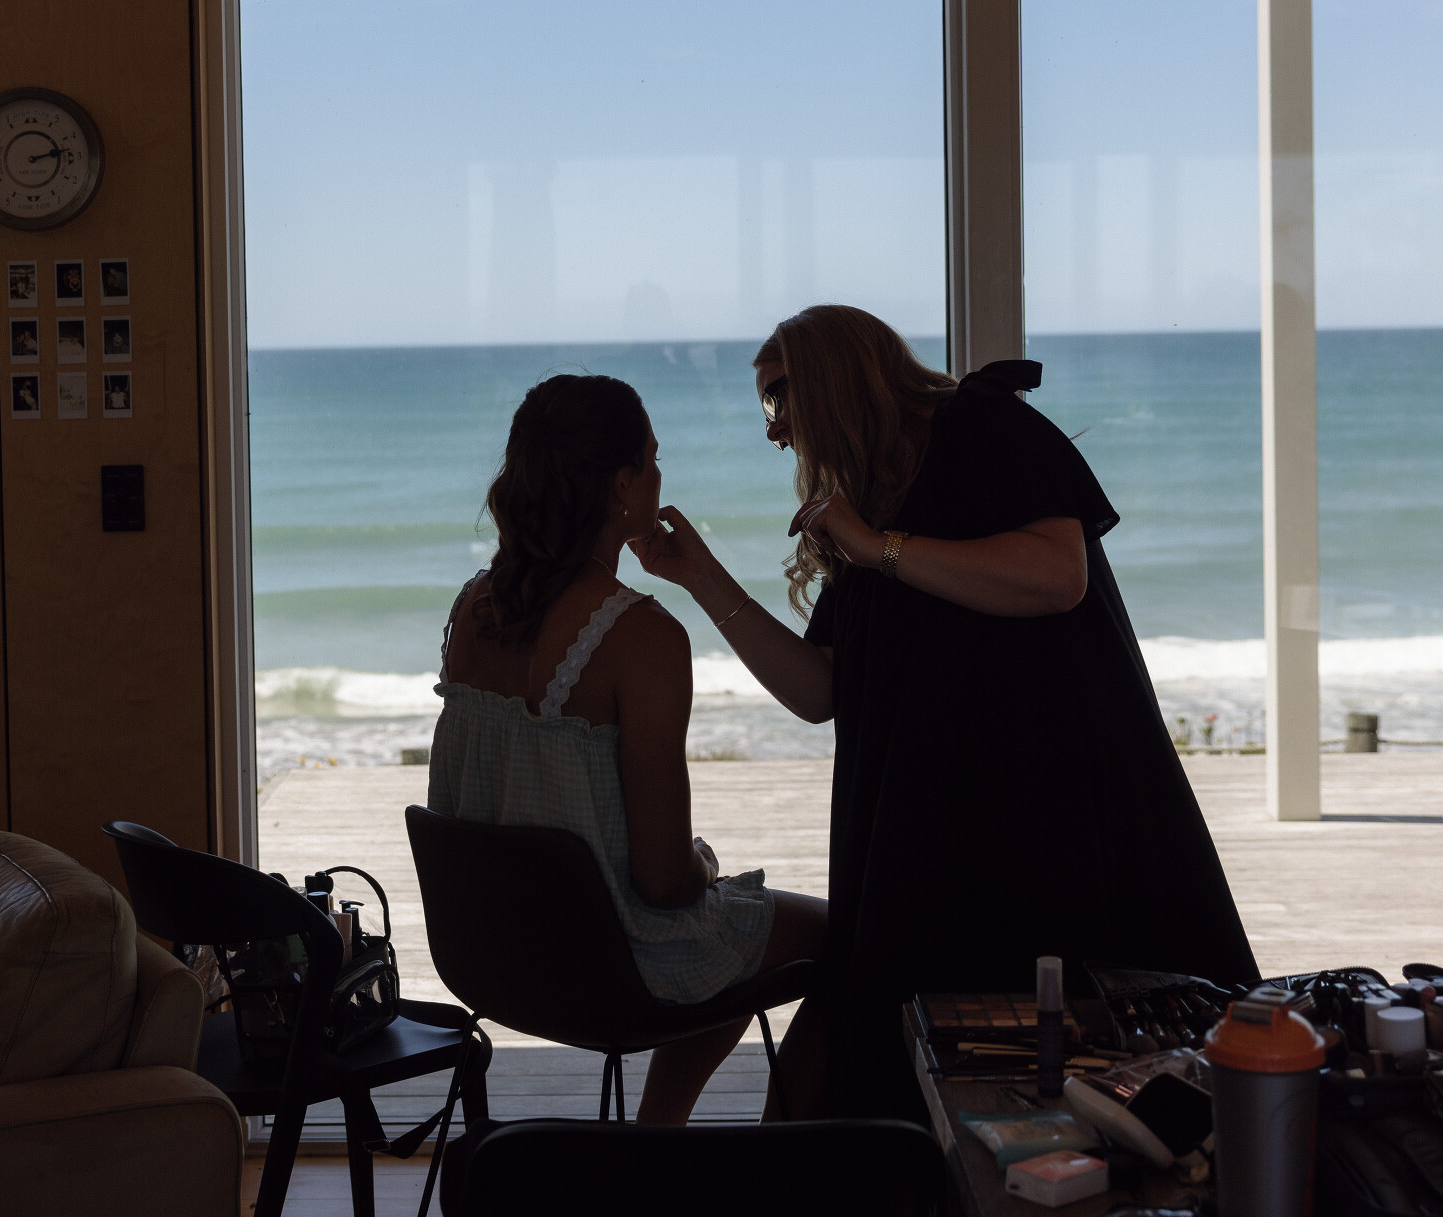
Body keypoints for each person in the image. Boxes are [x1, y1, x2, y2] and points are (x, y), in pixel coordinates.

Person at [631, 305, 1258, 1121]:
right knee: (885, 1032)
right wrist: (701, 577)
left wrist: (878, 549)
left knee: (1078, 1052)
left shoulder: (983, 426)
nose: (775, 429)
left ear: (833, 378)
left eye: (779, 397)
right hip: (924, 820)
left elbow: (1057, 574)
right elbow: (819, 691)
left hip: (1046, 808)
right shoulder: (866, 499)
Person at [427, 373, 827, 1123]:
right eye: (653, 458)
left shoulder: (472, 608)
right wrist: (703, 867)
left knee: (728, 923)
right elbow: (663, 882)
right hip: (610, 962)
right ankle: (714, 1150)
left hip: (495, 954)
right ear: (622, 483)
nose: (659, 474)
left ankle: (655, 1147)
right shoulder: (640, 637)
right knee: (836, 938)